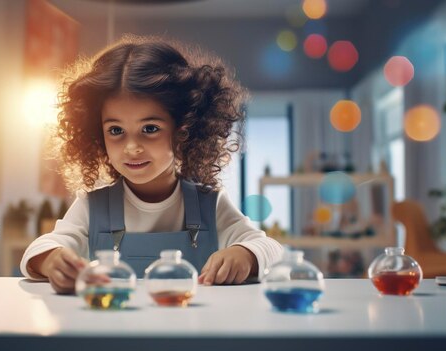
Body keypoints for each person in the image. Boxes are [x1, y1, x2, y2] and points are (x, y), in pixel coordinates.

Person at [20, 35, 283, 294]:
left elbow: (269, 248)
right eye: (115, 130)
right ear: (98, 134)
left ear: (184, 129)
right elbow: (38, 250)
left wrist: (245, 253)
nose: (132, 147)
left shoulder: (210, 205)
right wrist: (52, 260)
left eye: (150, 128)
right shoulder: (92, 207)